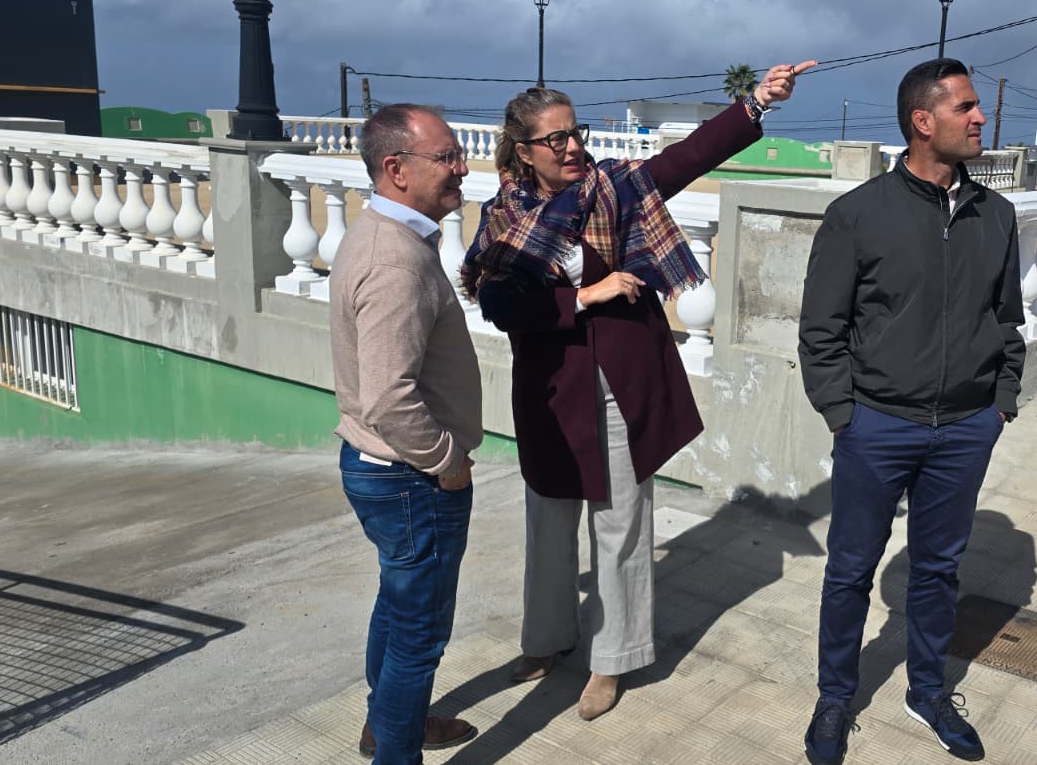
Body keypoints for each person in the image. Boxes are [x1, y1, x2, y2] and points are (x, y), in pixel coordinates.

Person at [463, 60, 815, 721]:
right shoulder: (503, 218)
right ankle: (545, 640)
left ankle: (612, 658)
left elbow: (689, 156)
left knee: (621, 524)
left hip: (624, 384)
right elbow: (501, 305)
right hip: (551, 392)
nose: (572, 147)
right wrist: (584, 296)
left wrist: (757, 103)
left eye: (576, 132)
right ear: (523, 151)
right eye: (555, 139)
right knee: (549, 523)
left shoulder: (616, 188)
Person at [797, 58, 1025, 763]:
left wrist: (999, 404)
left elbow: (1007, 319)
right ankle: (835, 696)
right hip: (877, 426)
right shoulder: (857, 215)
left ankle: (927, 691)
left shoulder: (996, 215)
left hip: (965, 428)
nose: (980, 117)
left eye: (977, 106)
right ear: (923, 122)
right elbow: (821, 331)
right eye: (966, 107)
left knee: (938, 570)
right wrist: (844, 415)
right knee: (850, 570)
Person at [329, 103, 483, 764]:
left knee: (398, 607)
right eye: (446, 157)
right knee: (419, 635)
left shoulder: (386, 234)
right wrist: (447, 462)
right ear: (396, 169)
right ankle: (397, 746)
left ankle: (389, 723)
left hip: (387, 472)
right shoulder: (395, 260)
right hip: (411, 479)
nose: (462, 168)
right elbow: (390, 398)